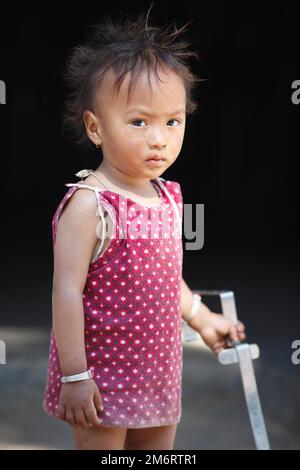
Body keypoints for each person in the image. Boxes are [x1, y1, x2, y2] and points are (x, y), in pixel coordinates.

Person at [43, 7, 246, 450]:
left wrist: (199, 316)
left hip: (157, 370)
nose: (159, 138)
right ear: (95, 128)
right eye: (139, 122)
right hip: (102, 374)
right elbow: (65, 293)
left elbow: (163, 277)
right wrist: (76, 376)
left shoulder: (168, 195)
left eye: (173, 121)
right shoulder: (90, 204)